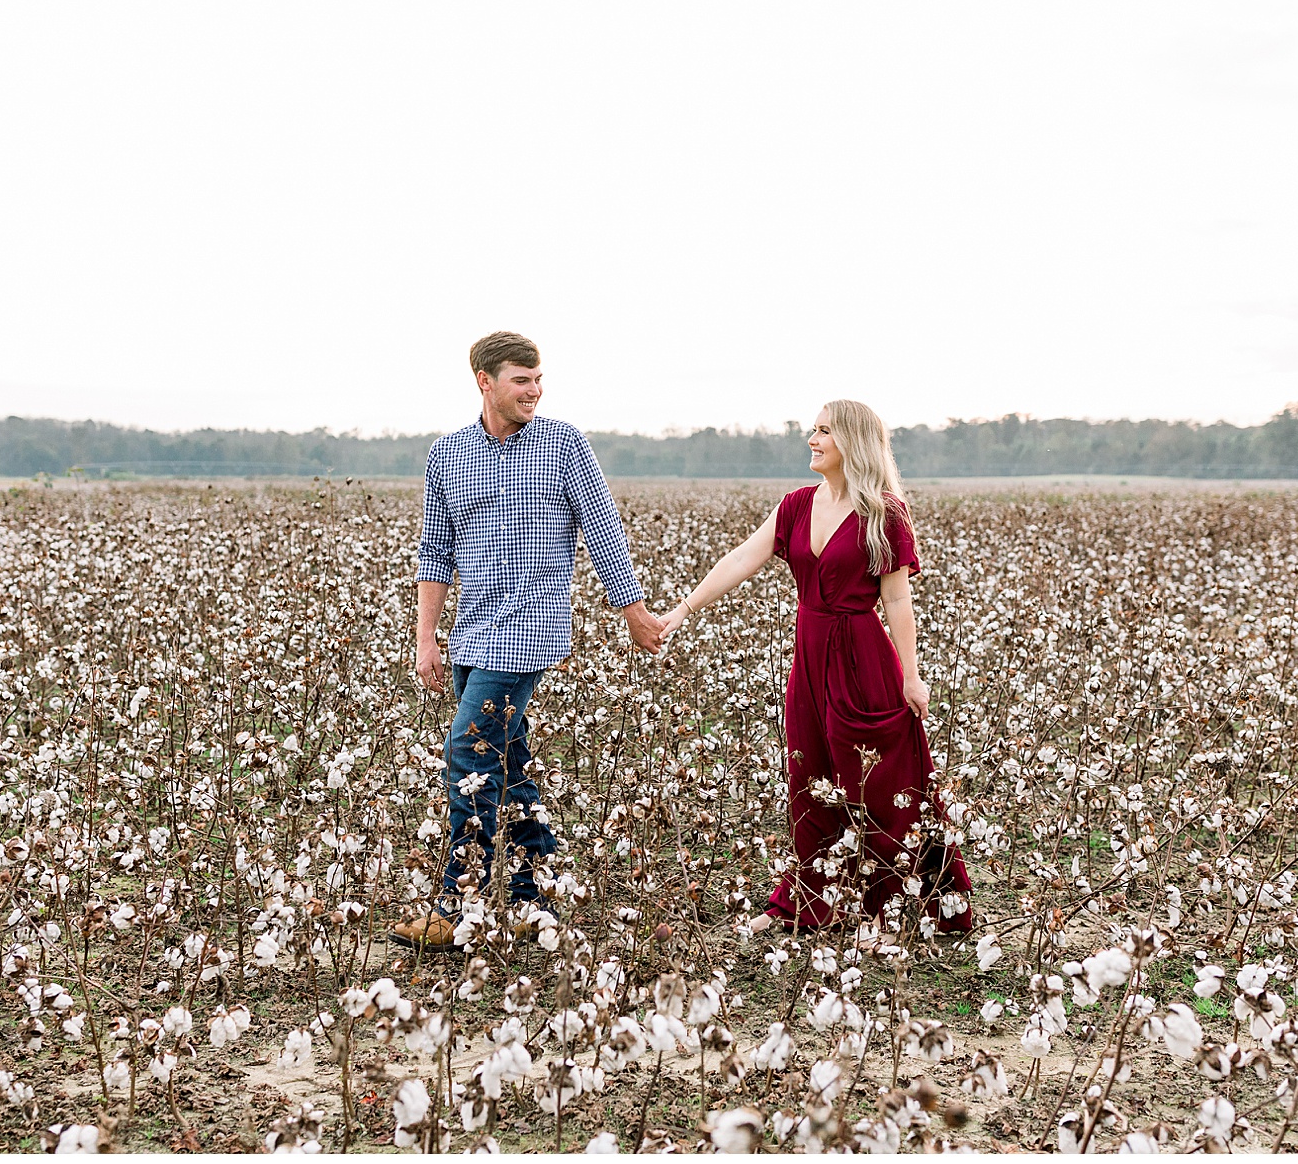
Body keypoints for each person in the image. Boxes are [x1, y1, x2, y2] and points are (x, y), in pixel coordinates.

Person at [390, 331, 666, 951]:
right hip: (471, 631)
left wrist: (634, 613)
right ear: (485, 381)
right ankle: (531, 894)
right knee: (508, 764)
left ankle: (455, 905)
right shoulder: (449, 454)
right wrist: (426, 636)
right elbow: (435, 554)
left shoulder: (564, 444)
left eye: (539, 380)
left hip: (526, 632)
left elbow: (602, 530)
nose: (534, 391)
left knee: (469, 755)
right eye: (522, 380)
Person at [658, 399, 971, 936]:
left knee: (879, 781)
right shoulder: (797, 505)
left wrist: (911, 675)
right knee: (811, 777)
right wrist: (682, 610)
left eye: (824, 431)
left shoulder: (885, 514)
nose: (812, 438)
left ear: (851, 440)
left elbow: (897, 601)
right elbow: (740, 559)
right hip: (810, 660)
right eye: (814, 429)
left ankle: (896, 905)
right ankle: (810, 901)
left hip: (864, 657)